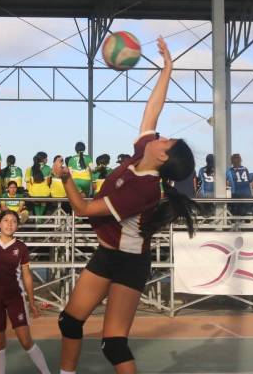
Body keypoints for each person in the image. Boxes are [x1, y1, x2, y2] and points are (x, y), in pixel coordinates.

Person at [50, 37, 197, 374]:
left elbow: (84, 210)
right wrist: (168, 68)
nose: (161, 136)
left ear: (162, 156)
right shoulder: (141, 152)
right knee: (69, 322)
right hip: (107, 254)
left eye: (166, 140)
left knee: (113, 344)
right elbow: (153, 108)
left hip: (130, 262)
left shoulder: (144, 189)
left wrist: (65, 178)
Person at [0, 210, 50, 374]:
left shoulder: (21, 247)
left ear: (17, 226)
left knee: (26, 341)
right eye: (5, 220)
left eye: (13, 221)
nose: (9, 224)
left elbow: (26, 275)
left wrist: (32, 301)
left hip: (15, 298)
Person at [26, 152, 51, 217]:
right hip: (44, 193)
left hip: (33, 193)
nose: (47, 160)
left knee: (36, 203)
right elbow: (48, 182)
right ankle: (39, 220)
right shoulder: (48, 168)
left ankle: (38, 219)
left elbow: (30, 181)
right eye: (46, 158)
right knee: (43, 203)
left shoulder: (31, 168)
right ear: (42, 159)